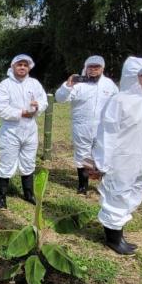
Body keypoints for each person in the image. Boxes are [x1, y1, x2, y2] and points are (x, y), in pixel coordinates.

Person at [84, 56, 142, 255]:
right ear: (130, 75)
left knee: (135, 189)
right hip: (122, 159)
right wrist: (101, 163)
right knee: (116, 194)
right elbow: (107, 134)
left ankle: (119, 232)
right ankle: (113, 239)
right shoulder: (119, 101)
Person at [55, 55, 119, 194]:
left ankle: (104, 185)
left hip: (103, 127)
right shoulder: (78, 84)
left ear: (102, 68)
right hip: (82, 126)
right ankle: (83, 185)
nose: (94, 70)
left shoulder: (109, 85)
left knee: (104, 154)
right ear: (86, 68)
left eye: (97, 67)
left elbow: (118, 104)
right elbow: (59, 98)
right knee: (83, 156)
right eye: (91, 67)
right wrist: (67, 86)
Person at [0, 54, 49, 208]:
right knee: (7, 162)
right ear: (13, 67)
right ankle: (1, 196)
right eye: (19, 64)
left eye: (25, 65)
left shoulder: (34, 83)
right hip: (11, 129)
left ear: (29, 67)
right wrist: (22, 113)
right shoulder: (5, 85)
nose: (22, 67)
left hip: (30, 128)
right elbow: (2, 109)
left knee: (28, 161)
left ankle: (28, 193)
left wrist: (38, 106)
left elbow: (44, 101)